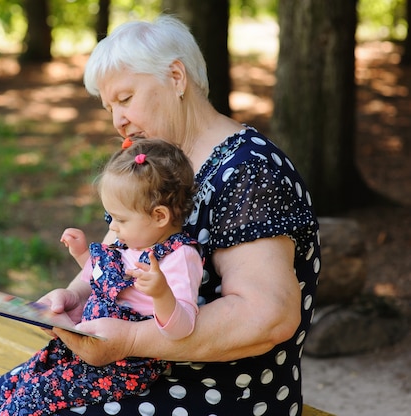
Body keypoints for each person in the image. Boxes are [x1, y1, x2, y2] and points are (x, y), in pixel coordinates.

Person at [39, 15, 319, 416]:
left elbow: (267, 315)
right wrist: (75, 297)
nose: (116, 119)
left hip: (217, 391)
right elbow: (119, 253)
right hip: (135, 371)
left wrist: (133, 340)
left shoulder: (250, 170)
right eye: (109, 107)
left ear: (175, 77)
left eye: (125, 99)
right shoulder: (152, 164)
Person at [0, 138, 205, 416]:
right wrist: (82, 256)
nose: (113, 227)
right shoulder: (131, 243)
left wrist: (162, 293)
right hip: (82, 348)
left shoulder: (178, 257)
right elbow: (106, 278)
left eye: (120, 219)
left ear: (159, 215)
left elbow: (183, 328)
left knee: (32, 399)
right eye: (110, 217)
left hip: (123, 365)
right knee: (8, 389)